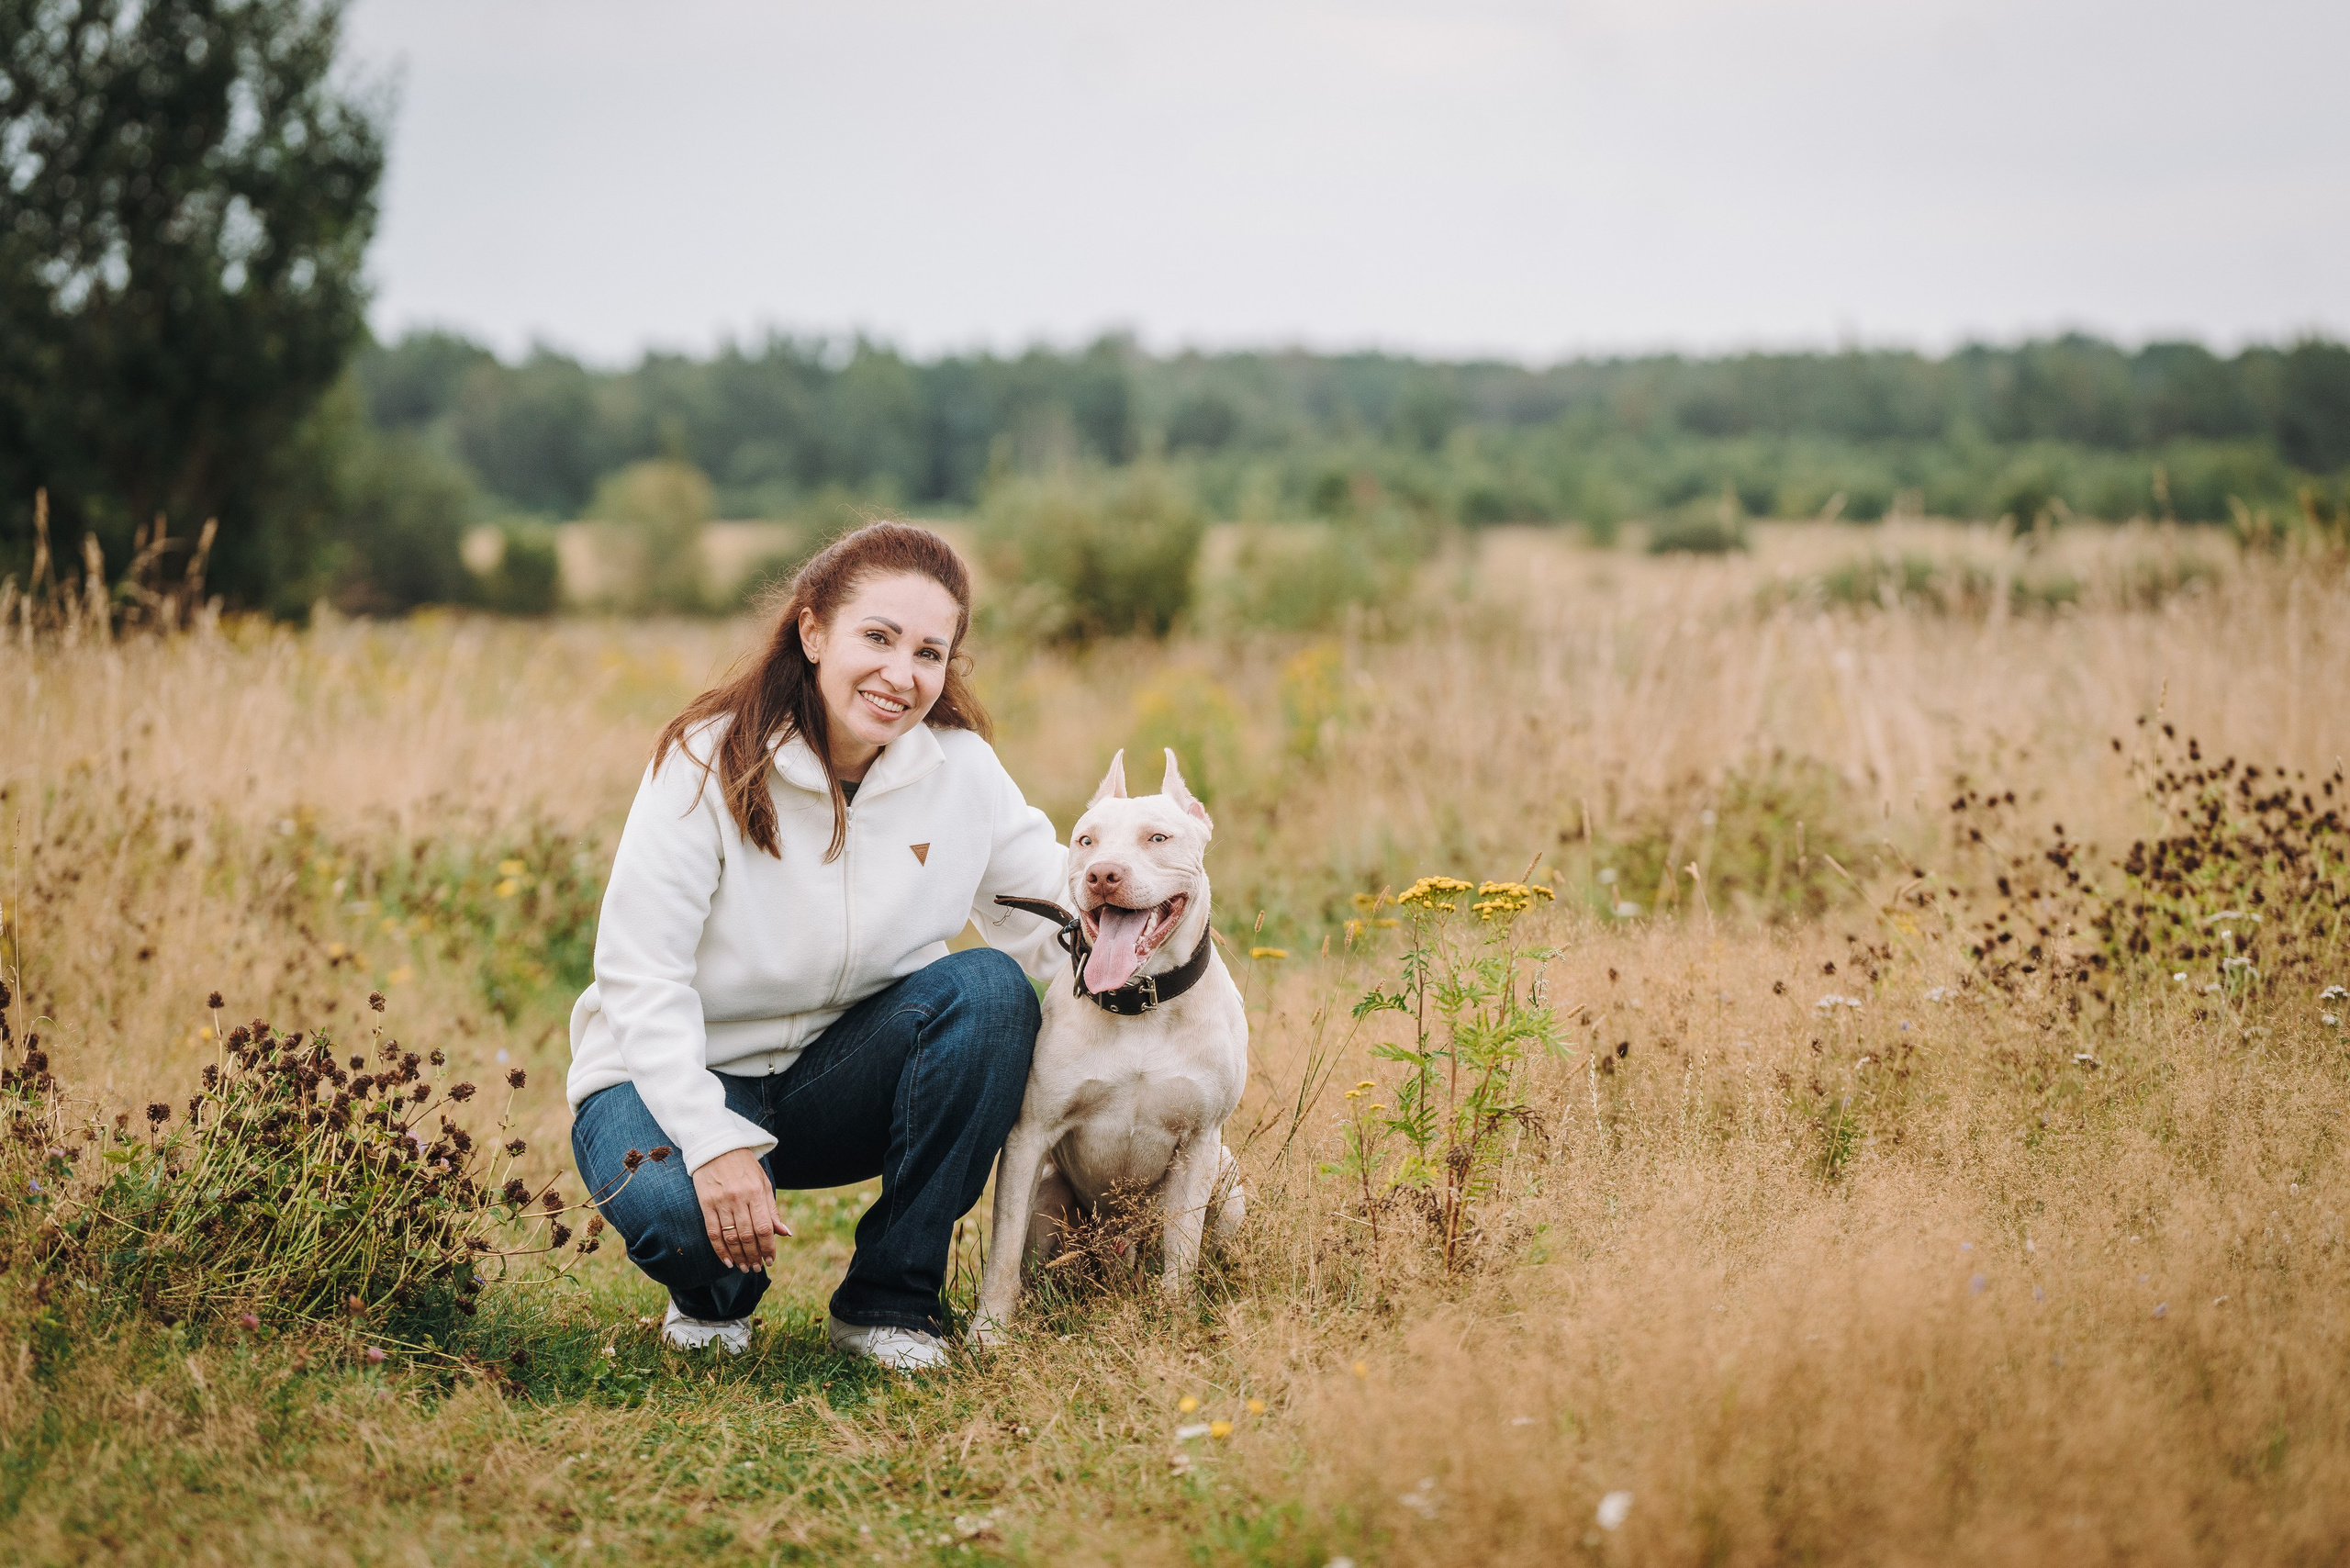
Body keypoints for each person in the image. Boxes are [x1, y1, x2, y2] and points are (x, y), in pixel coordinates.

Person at [566, 521, 1066, 1372]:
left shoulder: (962, 771)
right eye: (877, 637)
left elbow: (1054, 929)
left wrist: (1155, 1054)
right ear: (812, 631)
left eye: (928, 653)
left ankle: (891, 1303)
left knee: (988, 991)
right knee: (677, 1216)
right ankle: (715, 1297)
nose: (900, 676)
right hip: (668, 1080)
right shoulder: (706, 760)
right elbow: (637, 973)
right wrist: (712, 1140)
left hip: (839, 1080)